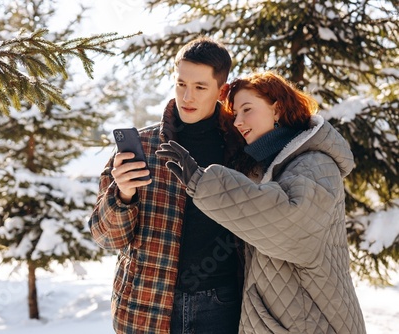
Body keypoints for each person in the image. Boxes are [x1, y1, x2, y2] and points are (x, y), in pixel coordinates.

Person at [156, 71, 367, 333]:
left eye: (247, 110)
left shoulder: (314, 162)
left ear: (277, 110)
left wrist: (205, 183)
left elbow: (291, 227)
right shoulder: (265, 168)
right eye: (235, 116)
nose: (239, 122)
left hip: (312, 322)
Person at [88, 37, 246, 333]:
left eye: (200, 88)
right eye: (181, 84)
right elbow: (106, 238)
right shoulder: (143, 147)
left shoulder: (238, 149)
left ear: (221, 91)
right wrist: (122, 195)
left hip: (221, 305)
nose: (188, 96)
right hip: (146, 304)